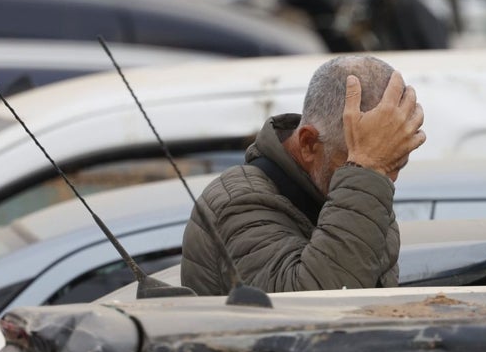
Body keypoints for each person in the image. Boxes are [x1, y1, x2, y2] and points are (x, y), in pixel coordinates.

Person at [181, 55, 425, 295]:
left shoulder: (363, 187)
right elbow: (318, 306)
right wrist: (366, 169)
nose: (388, 180)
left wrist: (370, 170)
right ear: (308, 144)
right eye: (364, 156)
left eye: (395, 164)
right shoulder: (238, 204)